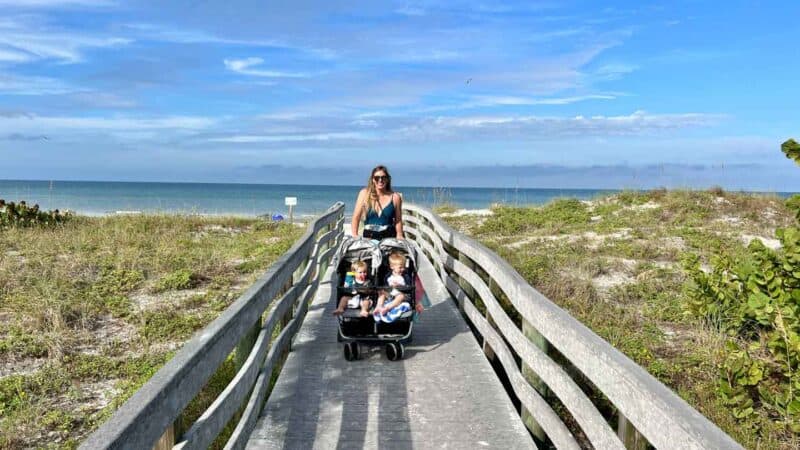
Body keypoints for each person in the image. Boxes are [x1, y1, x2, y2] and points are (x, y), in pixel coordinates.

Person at [351, 165, 404, 240]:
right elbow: (356, 217)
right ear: (372, 179)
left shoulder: (395, 197)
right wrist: (354, 235)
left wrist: (399, 235)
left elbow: (398, 220)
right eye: (377, 178)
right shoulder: (364, 194)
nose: (380, 180)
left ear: (387, 179)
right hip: (369, 238)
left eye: (383, 177)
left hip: (388, 238)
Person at [373, 251, 413, 321]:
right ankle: (378, 307)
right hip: (391, 293)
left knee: (400, 296)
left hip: (402, 294)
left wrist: (400, 286)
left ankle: (387, 308)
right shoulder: (388, 276)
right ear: (392, 267)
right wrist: (387, 289)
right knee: (381, 293)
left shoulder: (405, 276)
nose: (402, 269)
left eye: (403, 267)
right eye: (400, 268)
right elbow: (385, 285)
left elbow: (409, 287)